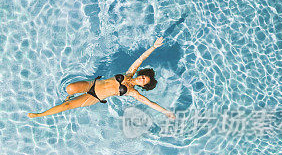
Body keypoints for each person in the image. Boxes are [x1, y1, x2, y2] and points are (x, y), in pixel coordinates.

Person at [27, 37, 176, 119]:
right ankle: (68, 96)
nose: (142, 79)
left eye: (144, 81)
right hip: (92, 83)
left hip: (95, 97)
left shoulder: (132, 92)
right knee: (69, 88)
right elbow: (141, 58)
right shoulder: (130, 72)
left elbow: (150, 103)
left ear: (143, 86)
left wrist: (166, 112)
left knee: (68, 106)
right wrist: (154, 47)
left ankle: (40, 114)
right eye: (143, 76)